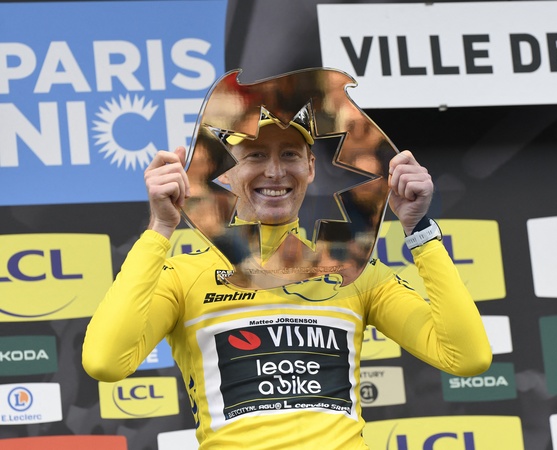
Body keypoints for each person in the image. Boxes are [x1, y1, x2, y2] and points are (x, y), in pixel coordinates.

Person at [82, 114, 492, 449]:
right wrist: (160, 228)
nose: (275, 171)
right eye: (256, 154)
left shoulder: (351, 268)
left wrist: (419, 229)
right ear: (226, 172)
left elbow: (467, 357)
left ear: (310, 167)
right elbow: (105, 362)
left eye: (290, 154)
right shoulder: (185, 276)